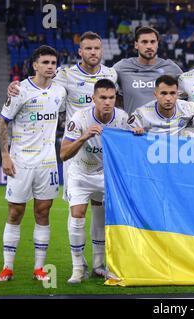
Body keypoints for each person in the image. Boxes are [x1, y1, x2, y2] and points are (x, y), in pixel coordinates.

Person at [7, 32, 118, 278]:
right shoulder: (65, 74)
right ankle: (79, 266)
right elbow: (38, 80)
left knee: (100, 209)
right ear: (80, 51)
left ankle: (99, 264)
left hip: (102, 153)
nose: (93, 52)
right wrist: (15, 86)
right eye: (88, 48)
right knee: (76, 211)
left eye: (97, 48)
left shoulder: (111, 74)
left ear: (102, 50)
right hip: (76, 149)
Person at [0, 45, 66, 282]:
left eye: (53, 63)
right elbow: (3, 122)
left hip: (47, 162)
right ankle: (7, 267)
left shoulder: (60, 90)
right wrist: (5, 155)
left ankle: (39, 268)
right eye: (45, 62)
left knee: (43, 212)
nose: (50, 67)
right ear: (35, 65)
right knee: (15, 212)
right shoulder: (20, 91)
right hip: (21, 161)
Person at [60, 79, 134, 284]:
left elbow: (131, 148)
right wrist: (83, 137)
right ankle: (77, 268)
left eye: (111, 98)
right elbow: (64, 154)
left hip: (106, 176)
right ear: (94, 99)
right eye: (103, 98)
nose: (107, 102)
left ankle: (99, 266)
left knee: (104, 218)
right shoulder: (80, 117)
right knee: (77, 216)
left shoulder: (122, 118)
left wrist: (137, 134)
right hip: (81, 173)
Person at [113, 27, 183, 115]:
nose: (149, 46)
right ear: (136, 45)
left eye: (152, 42)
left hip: (163, 127)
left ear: (157, 44)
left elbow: (186, 94)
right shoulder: (121, 67)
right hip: (134, 127)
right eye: (144, 42)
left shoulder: (171, 68)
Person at [127, 75, 194, 135]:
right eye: (163, 93)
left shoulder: (188, 108)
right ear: (155, 95)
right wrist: (132, 131)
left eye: (172, 93)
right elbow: (124, 134)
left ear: (177, 94)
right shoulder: (141, 114)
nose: (168, 98)